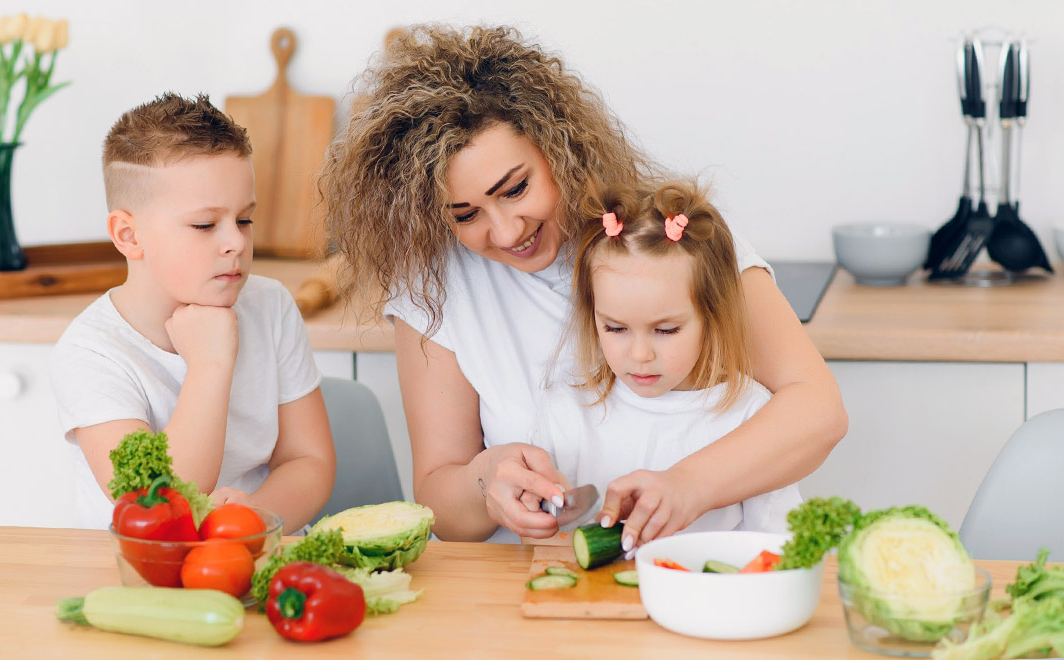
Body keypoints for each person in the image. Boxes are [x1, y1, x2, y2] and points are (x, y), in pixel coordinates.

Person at [321, 25, 846, 543]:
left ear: (558, 146)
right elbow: (440, 499)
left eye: (516, 188)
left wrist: (690, 486)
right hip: (521, 588)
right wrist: (487, 481)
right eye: (465, 214)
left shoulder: (665, 239)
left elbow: (818, 411)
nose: (505, 231)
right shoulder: (435, 286)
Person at [50, 92, 336, 533]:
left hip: (252, 555)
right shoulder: (91, 353)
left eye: (245, 220)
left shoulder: (271, 305)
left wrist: (248, 523)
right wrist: (209, 364)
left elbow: (309, 460)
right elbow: (160, 505)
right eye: (205, 225)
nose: (237, 243)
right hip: (142, 583)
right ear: (128, 235)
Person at [530, 180, 802, 551]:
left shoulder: (750, 416)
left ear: (712, 316)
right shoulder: (565, 412)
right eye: (615, 328)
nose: (639, 354)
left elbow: (780, 549)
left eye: (665, 330)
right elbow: (544, 545)